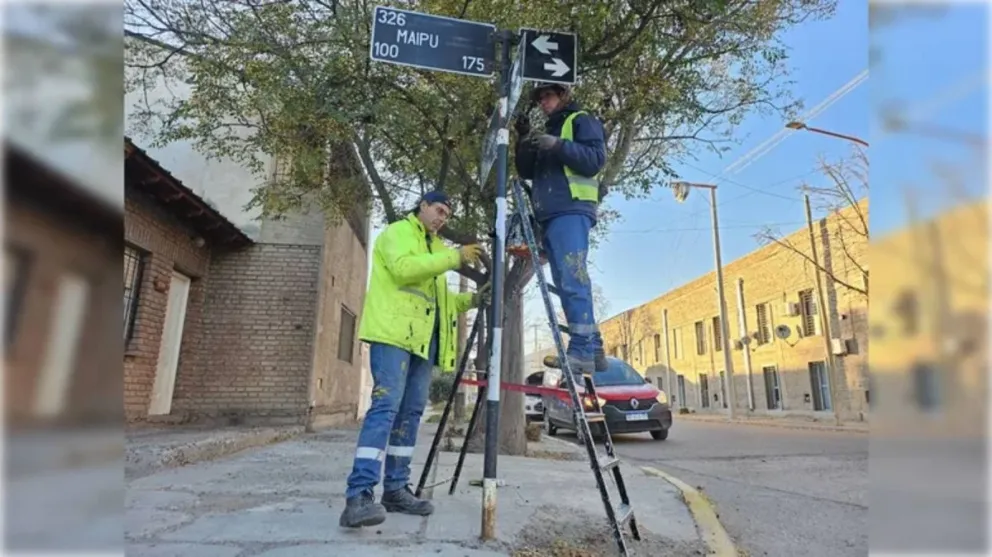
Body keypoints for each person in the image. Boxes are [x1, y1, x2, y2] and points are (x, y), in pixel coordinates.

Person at [339, 191, 490, 528]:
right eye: (438, 210)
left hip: (422, 343)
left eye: (447, 215)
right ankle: (358, 496)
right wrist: (455, 257)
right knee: (386, 408)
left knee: (411, 414)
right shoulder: (398, 233)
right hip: (393, 336)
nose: (442, 218)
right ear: (422, 206)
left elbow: (442, 302)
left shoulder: (435, 247)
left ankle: (395, 489)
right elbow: (404, 270)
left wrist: (474, 300)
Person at [513, 82, 608, 376]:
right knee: (567, 279)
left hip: (571, 208)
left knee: (572, 276)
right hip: (551, 214)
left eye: (548, 96)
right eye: (540, 98)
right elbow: (526, 171)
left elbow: (595, 160)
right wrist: (523, 139)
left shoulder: (581, 120)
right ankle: (593, 347)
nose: (543, 102)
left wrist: (557, 145)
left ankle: (581, 349)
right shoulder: (549, 132)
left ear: (564, 95)